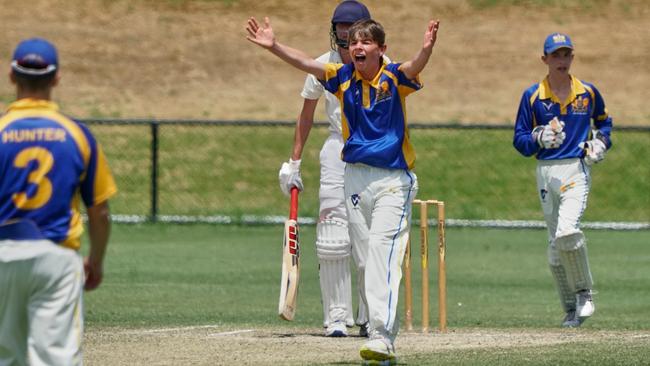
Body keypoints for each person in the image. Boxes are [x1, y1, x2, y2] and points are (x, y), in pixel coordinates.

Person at [247, 15, 440, 364]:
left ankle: (382, 336)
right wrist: (273, 46)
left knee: (381, 252)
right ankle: (366, 321)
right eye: (353, 43)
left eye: (366, 42)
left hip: (392, 181)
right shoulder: (341, 76)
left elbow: (414, 66)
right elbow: (306, 62)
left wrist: (426, 49)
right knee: (366, 257)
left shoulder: (393, 76)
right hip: (354, 178)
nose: (358, 47)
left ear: (381, 49)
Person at [0, 38, 117, 365]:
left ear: (11, 75)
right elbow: (100, 211)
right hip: (56, 258)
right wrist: (96, 259)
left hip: (2, 255)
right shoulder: (76, 135)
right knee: (56, 358)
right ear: (56, 78)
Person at [277, 0, 377, 338]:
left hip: (374, 151)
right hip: (337, 148)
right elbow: (306, 115)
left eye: (352, 29)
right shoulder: (324, 65)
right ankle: (336, 315)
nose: (346, 36)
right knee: (333, 235)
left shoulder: (382, 64)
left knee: (368, 240)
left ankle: (369, 315)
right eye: (341, 29)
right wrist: (294, 161)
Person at [513, 33, 612, 328]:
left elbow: (604, 123)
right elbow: (519, 140)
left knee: (567, 232)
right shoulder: (532, 96)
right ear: (545, 60)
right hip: (545, 172)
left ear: (572, 58)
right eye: (555, 55)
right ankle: (570, 308)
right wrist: (538, 137)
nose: (562, 61)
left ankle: (584, 292)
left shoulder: (588, 93)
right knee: (555, 249)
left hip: (575, 169)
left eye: (566, 54)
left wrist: (600, 144)